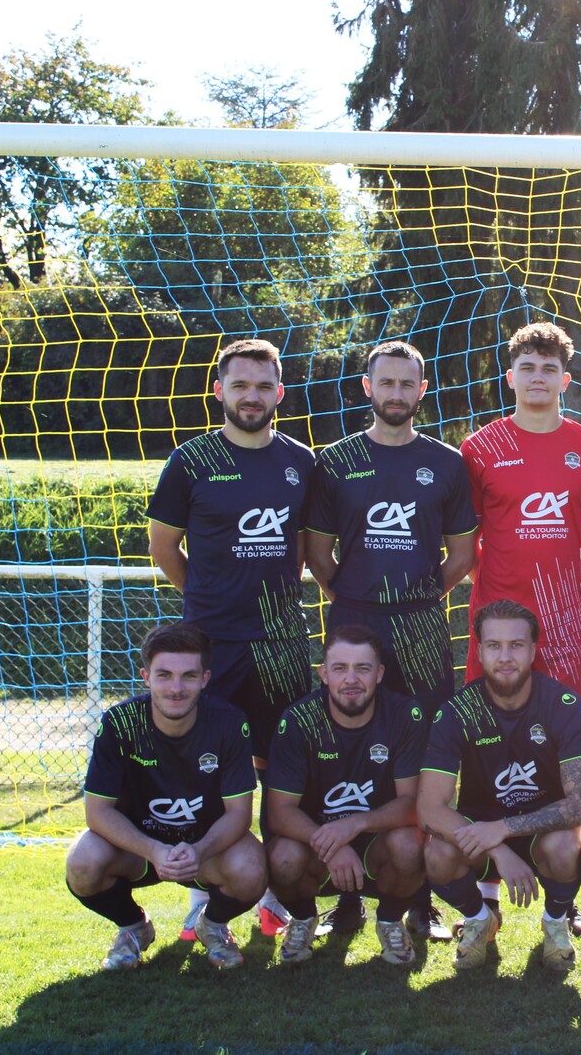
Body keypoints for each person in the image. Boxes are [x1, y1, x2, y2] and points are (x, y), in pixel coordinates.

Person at [302, 339, 475, 941]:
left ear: (422, 390)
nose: (396, 393)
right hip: (354, 621)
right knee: (348, 747)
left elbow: (463, 556)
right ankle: (347, 896)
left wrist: (417, 596)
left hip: (422, 624)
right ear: (367, 388)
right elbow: (317, 553)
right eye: (386, 383)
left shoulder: (446, 463)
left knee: (426, 756)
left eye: (407, 384)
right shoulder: (336, 460)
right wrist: (356, 598)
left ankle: (419, 897)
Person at [146, 337, 314, 939]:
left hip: (280, 646)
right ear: (219, 390)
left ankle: (274, 893)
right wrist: (207, 602)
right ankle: (205, 895)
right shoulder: (190, 461)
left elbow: (302, 550)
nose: (252, 396)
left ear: (280, 393)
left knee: (281, 774)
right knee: (208, 771)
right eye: (240, 385)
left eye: (263, 386)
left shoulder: (301, 462)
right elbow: (164, 548)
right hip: (212, 647)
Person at [65, 623, 265, 971]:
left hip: (204, 850)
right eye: (164, 675)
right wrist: (154, 850)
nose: (176, 688)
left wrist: (199, 849)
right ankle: (133, 928)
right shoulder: (120, 723)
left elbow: (239, 814)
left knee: (251, 867)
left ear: (205, 679)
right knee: (83, 862)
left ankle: (212, 925)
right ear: (146, 677)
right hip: (138, 849)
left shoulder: (229, 723)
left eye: (188, 676)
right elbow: (97, 812)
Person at [417, 600, 581, 973]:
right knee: (437, 853)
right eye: (494, 645)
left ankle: (555, 923)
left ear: (532, 650)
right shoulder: (457, 711)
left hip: (542, 832)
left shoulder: (563, 704)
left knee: (567, 844)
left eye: (516, 645)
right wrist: (497, 847)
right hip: (481, 833)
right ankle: (479, 917)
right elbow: (429, 810)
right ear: (479, 651)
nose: (505, 656)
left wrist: (504, 828)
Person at [461, 323, 581, 711]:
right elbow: (465, 545)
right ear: (511, 378)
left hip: (564, 618)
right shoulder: (480, 447)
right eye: (527, 368)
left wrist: (564, 578)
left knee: (564, 727)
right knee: (488, 728)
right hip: (495, 616)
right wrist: (499, 580)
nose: (537, 377)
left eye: (548, 369)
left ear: (564, 381)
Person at [263, 625, 428, 965]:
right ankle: (303, 918)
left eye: (362, 668)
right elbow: (279, 813)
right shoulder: (299, 720)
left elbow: (414, 805)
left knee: (411, 844)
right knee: (282, 856)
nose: (351, 679)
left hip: (378, 844)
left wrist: (354, 824)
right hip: (317, 847)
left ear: (379, 673)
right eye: (340, 668)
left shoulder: (403, 715)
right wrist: (332, 843)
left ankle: (390, 920)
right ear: (324, 674)